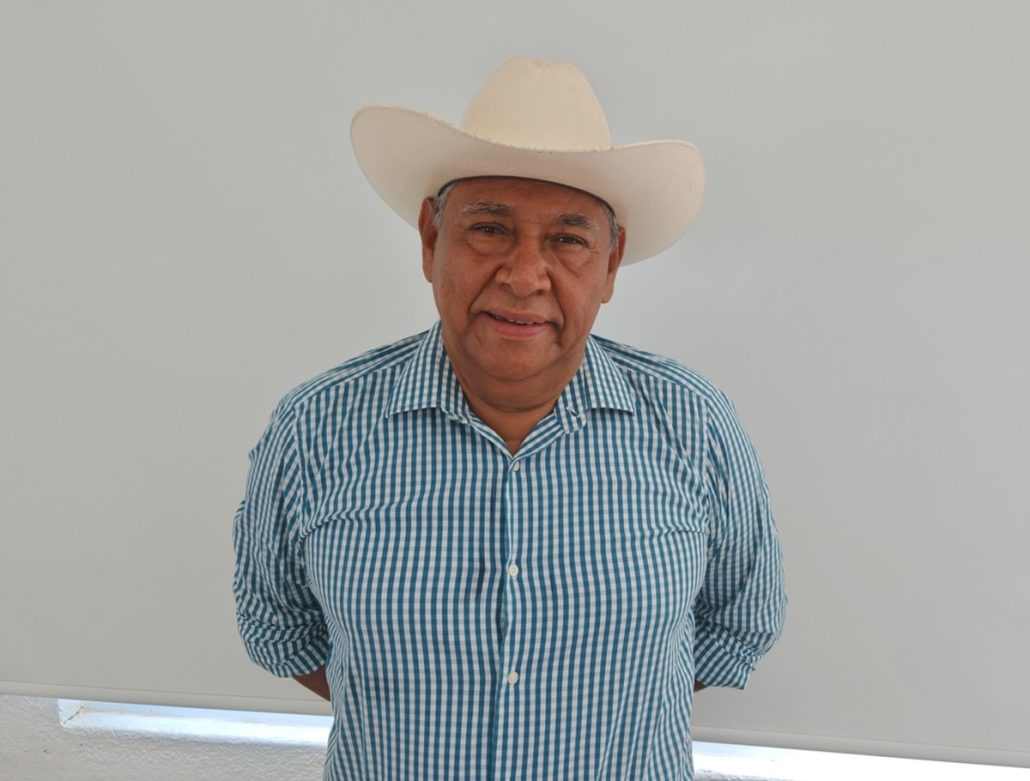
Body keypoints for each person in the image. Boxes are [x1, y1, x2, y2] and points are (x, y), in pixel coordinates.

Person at [233, 57, 786, 781]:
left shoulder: (693, 426)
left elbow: (736, 621)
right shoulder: (316, 431)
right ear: (431, 239)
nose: (525, 277)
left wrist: (605, 713)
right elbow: (283, 627)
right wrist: (416, 717)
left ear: (610, 263)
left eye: (568, 239)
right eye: (489, 228)